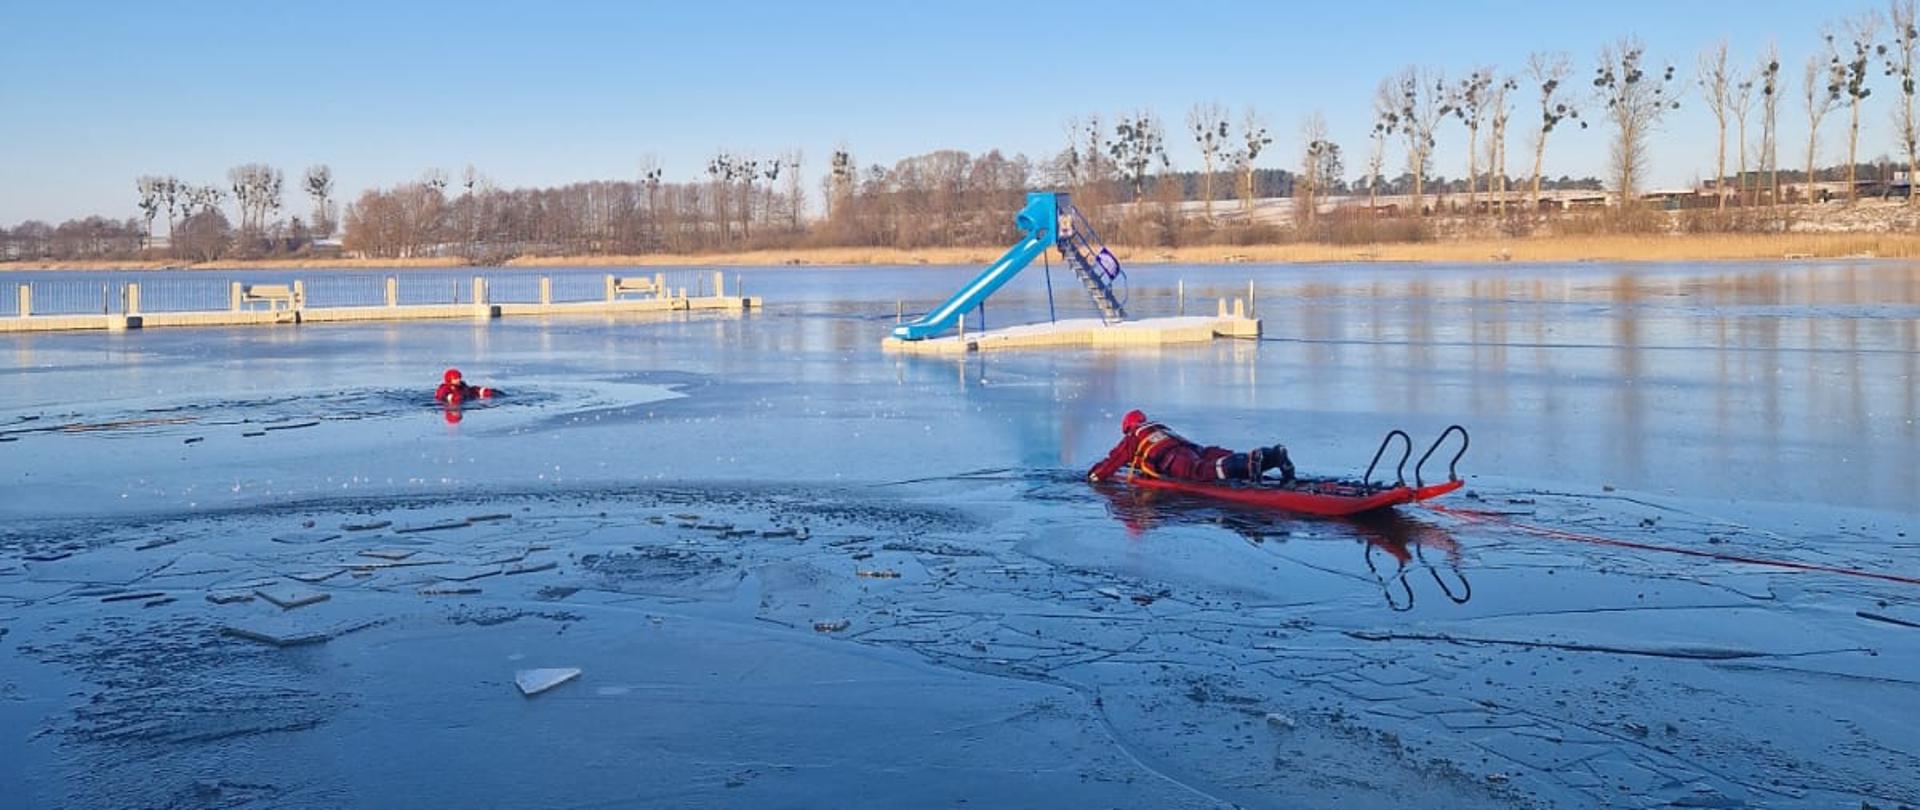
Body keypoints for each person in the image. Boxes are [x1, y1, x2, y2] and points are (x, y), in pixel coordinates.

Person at [1087, 409, 1294, 484]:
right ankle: (1272, 456)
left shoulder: (1133, 436)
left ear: (1127, 427)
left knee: (1201, 471)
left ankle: (1249, 462)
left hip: (1171, 458)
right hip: (1193, 448)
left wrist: (1094, 476)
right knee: (1214, 458)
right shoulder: (1158, 426)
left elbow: (1113, 462)